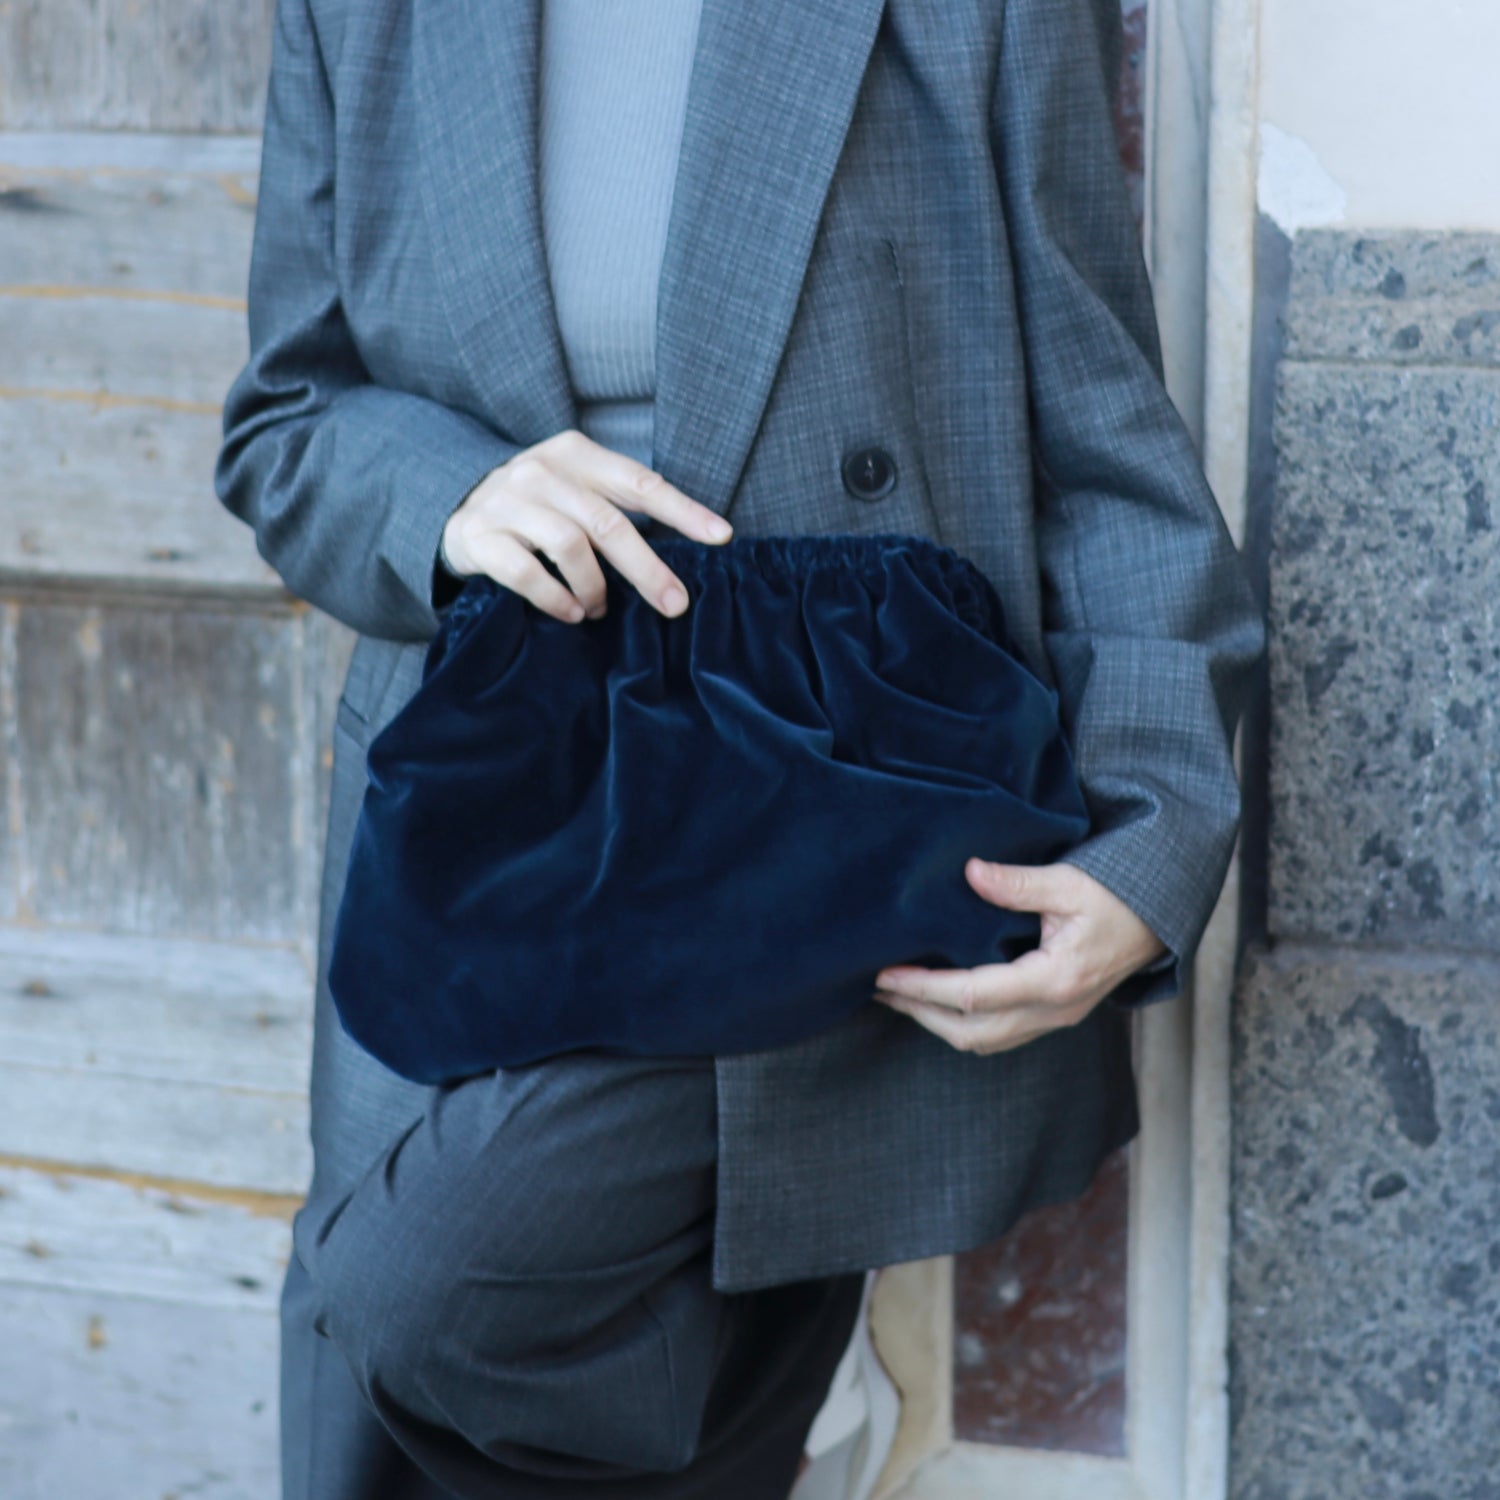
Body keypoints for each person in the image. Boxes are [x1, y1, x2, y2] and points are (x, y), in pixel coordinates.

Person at [215, 1, 1265, 1496]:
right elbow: (286, 419)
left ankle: (776, 1373)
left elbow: (1099, 434)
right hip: (487, 809)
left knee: (426, 1290)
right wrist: (443, 496)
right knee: (356, 1428)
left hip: (815, 820)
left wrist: (1150, 840)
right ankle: (782, 1393)